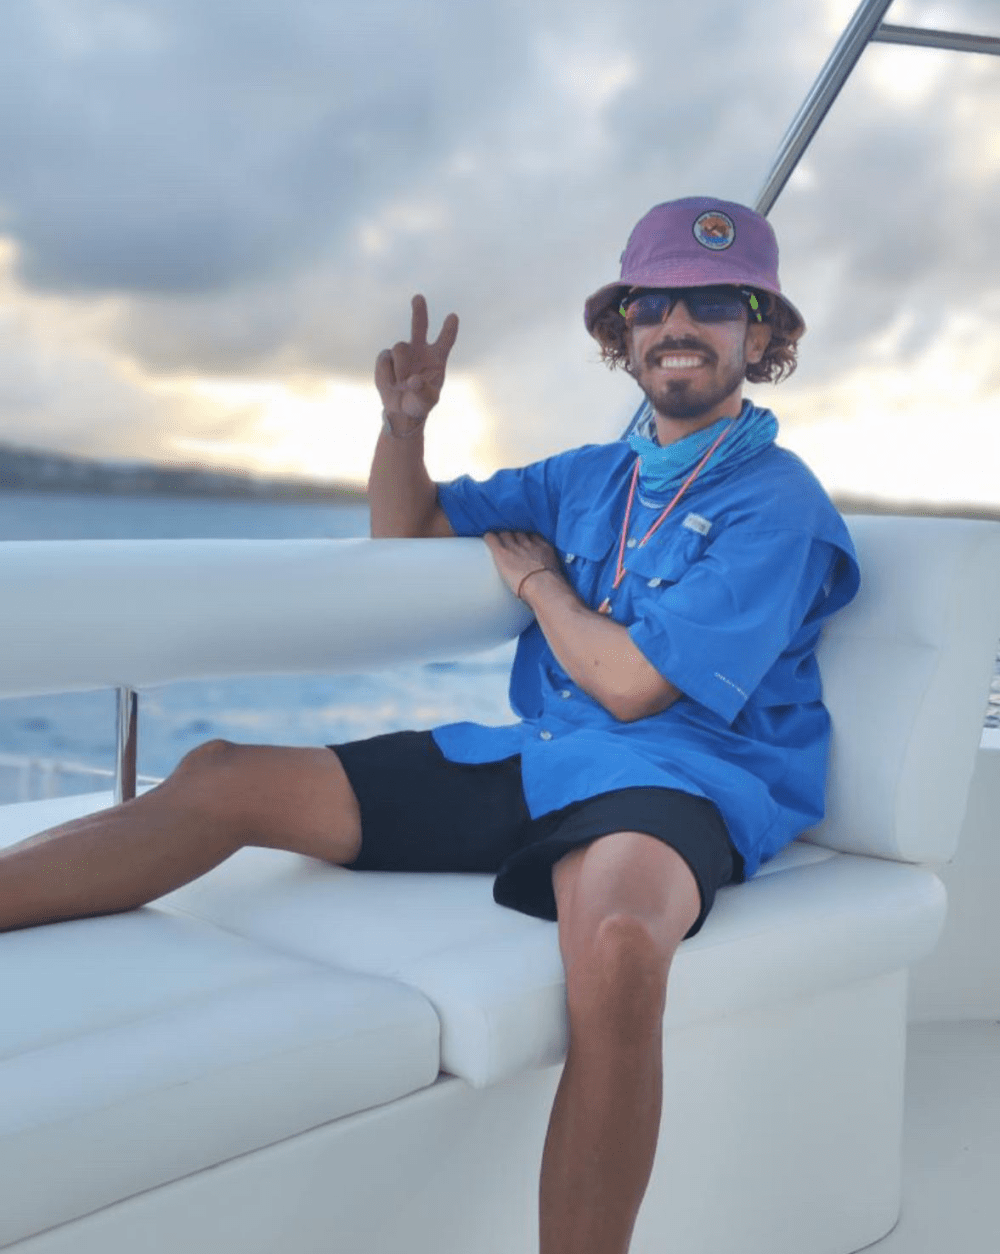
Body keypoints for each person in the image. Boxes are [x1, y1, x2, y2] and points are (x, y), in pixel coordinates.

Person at [0, 196, 860, 1254]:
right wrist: (403, 427)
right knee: (222, 770)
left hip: (682, 777)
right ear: (623, 330)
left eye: (714, 302)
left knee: (626, 941)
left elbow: (636, 686)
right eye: (654, 301)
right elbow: (403, 524)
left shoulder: (777, 501)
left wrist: (542, 584)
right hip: (543, 758)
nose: (678, 321)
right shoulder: (591, 474)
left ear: (761, 334)